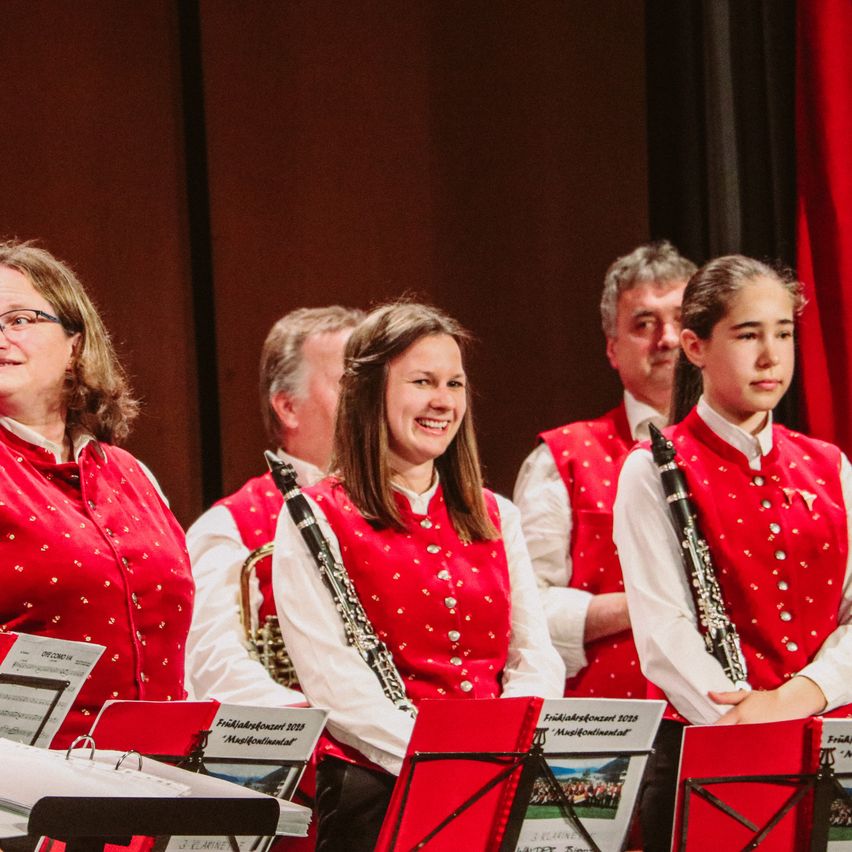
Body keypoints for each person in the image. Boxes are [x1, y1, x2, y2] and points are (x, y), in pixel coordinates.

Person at [273, 301, 565, 851]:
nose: (443, 401)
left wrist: (508, 741)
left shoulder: (497, 515)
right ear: (369, 393)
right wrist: (441, 760)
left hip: (498, 780)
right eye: (422, 382)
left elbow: (535, 655)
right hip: (379, 791)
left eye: (454, 383)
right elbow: (335, 682)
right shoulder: (314, 514)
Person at [613, 255, 852, 850]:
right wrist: (747, 721)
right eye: (748, 335)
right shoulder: (651, 469)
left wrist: (801, 696)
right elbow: (664, 633)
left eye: (783, 334)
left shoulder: (830, 466)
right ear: (695, 347)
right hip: (711, 748)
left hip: (832, 745)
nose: (771, 356)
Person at [0, 240, 194, 747]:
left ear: (75, 345)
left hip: (156, 768)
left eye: (19, 319)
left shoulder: (132, 473)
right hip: (27, 781)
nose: (1, 337)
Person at [513, 241, 694, 699]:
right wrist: (651, 605)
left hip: (735, 718)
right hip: (614, 722)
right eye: (644, 324)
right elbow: (524, 611)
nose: (667, 339)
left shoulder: (750, 457)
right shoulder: (562, 458)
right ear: (612, 349)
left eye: (681, 320)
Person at [185, 306, 363, 705]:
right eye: (349, 383)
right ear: (287, 407)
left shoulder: (420, 511)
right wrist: (337, 721)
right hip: (313, 737)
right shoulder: (229, 527)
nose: (372, 400)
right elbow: (215, 669)